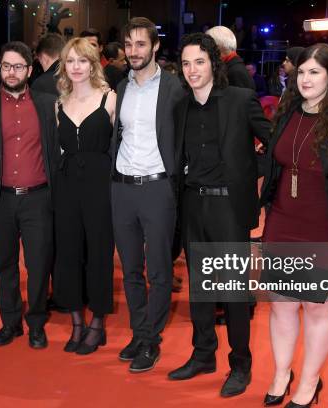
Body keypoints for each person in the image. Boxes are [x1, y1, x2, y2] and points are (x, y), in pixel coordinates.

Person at [259, 43, 328, 407]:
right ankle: (281, 373)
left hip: (324, 226)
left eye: (315, 72)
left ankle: (310, 382)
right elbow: (275, 164)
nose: (305, 79)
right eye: (301, 72)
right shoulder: (288, 111)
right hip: (281, 222)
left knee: (317, 307)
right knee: (281, 303)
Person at [167, 33, 270, 398]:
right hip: (193, 204)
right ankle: (203, 354)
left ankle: (240, 364)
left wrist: (247, 172)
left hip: (229, 206)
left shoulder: (241, 100)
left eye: (199, 61)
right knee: (201, 288)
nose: (192, 70)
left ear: (214, 62)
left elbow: (272, 145)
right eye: (186, 63)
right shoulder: (180, 107)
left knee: (234, 292)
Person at [0, 41, 59, 350]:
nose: (12, 72)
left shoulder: (48, 104)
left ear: (30, 70)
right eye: (6, 66)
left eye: (18, 66)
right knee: (4, 264)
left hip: (38, 199)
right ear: (0, 68)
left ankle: (36, 323)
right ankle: (10, 323)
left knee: (38, 264)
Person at [111, 17, 184, 373]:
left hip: (158, 188)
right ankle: (139, 332)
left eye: (141, 44)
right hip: (122, 187)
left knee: (158, 270)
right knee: (130, 271)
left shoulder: (173, 87)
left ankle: (151, 339)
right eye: (128, 45)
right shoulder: (120, 87)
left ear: (155, 47)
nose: (134, 52)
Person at [53, 38, 117, 355]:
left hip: (100, 188)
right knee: (68, 254)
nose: (76, 67)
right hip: (67, 190)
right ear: (64, 66)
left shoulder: (109, 99)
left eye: (82, 61)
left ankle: (97, 324)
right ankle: (77, 321)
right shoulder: (58, 104)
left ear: (93, 65)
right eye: (70, 61)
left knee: (100, 255)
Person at [205, 25, 255, 90]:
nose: (206, 51)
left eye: (207, 46)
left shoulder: (236, 72)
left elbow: (243, 99)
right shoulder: (231, 67)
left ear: (217, 47)